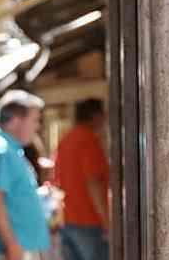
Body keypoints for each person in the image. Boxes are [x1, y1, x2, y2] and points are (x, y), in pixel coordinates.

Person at [0, 90, 50, 260]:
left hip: (15, 248)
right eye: (34, 120)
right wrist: (12, 245)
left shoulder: (4, 147)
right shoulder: (1, 151)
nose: (37, 127)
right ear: (15, 120)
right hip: (10, 251)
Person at [54, 99, 109, 260]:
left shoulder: (65, 140)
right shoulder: (88, 140)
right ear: (95, 116)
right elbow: (92, 181)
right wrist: (106, 220)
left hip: (67, 219)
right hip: (88, 220)